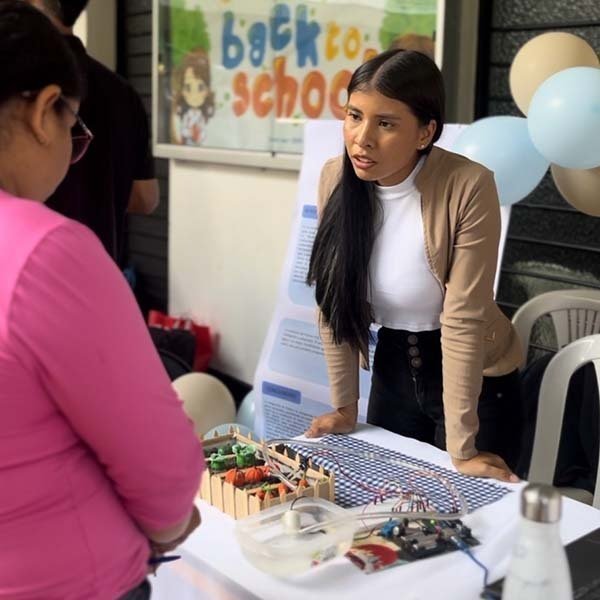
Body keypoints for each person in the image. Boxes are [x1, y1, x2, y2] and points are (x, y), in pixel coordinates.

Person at [0, 4, 203, 599]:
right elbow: (159, 464)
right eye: (73, 129)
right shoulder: (45, 251)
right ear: (45, 112)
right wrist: (170, 526)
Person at [305, 49, 524, 483]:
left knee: (471, 521)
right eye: (354, 116)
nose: (362, 138)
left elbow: (463, 318)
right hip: (394, 366)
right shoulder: (335, 177)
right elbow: (334, 299)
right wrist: (345, 408)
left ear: (425, 133)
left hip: (475, 377)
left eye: (385, 124)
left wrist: (462, 451)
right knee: (390, 504)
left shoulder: (468, 185)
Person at [27, 0, 160, 265]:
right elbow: (146, 197)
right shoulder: (122, 92)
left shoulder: (20, 83)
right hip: (101, 272)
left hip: (33, 279)